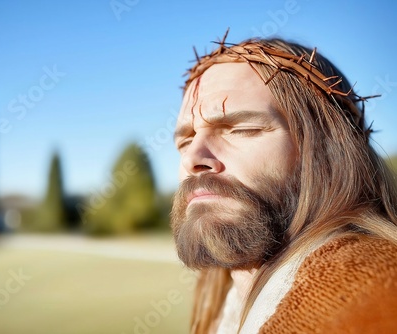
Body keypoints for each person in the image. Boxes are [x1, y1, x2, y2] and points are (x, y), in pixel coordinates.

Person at [170, 30, 397, 334]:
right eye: (185, 140)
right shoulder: (220, 300)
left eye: (241, 128)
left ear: (328, 150)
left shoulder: (369, 298)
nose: (192, 158)